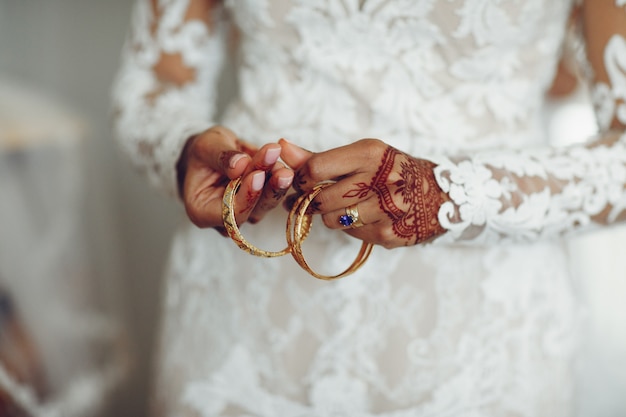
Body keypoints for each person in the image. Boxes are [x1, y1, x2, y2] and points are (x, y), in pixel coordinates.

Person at [112, 0, 626, 415]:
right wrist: (184, 152)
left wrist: (448, 193)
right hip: (246, 309)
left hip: (481, 321)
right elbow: (153, 89)